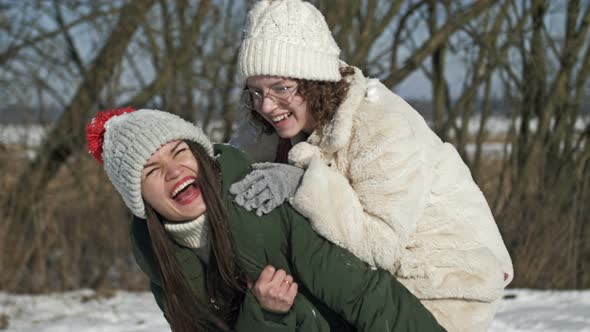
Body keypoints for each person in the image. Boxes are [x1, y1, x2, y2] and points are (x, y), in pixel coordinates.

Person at [229, 0, 514, 331]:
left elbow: (382, 244)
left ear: (314, 80)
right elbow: (241, 161)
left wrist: (304, 183)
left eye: (281, 88)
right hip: (375, 290)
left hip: (445, 292)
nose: (266, 105)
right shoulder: (285, 126)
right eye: (255, 92)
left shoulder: (380, 125)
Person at [85, 108, 446, 332]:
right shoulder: (163, 268)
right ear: (139, 198)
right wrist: (265, 315)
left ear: (202, 156)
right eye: (151, 170)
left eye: (180, 151)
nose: (173, 170)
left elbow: (366, 295)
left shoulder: (263, 205)